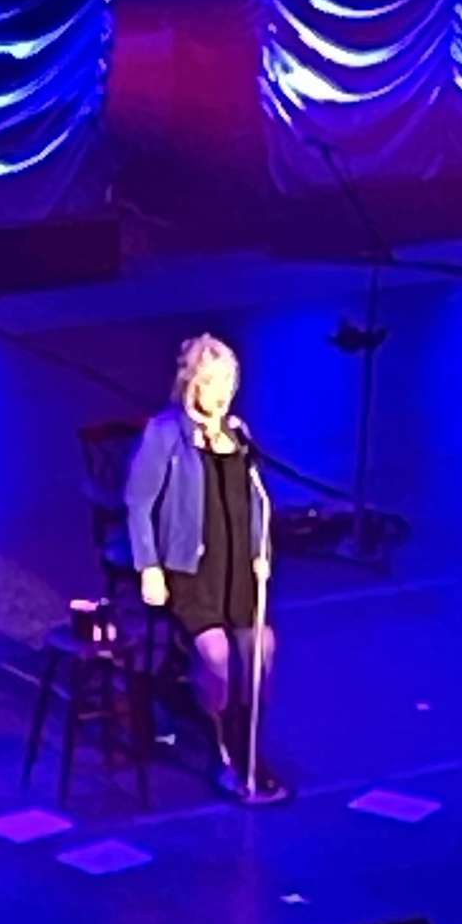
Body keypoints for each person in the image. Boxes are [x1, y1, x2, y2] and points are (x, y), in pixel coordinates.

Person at [125, 333, 287, 801]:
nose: (223, 392)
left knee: (262, 648)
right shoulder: (164, 434)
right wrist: (149, 567)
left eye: (230, 382)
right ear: (192, 381)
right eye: (214, 381)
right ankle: (224, 746)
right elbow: (138, 502)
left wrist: (261, 551)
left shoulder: (238, 434)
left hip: (238, 565)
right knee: (217, 656)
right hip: (190, 567)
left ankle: (248, 741)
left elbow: (256, 500)